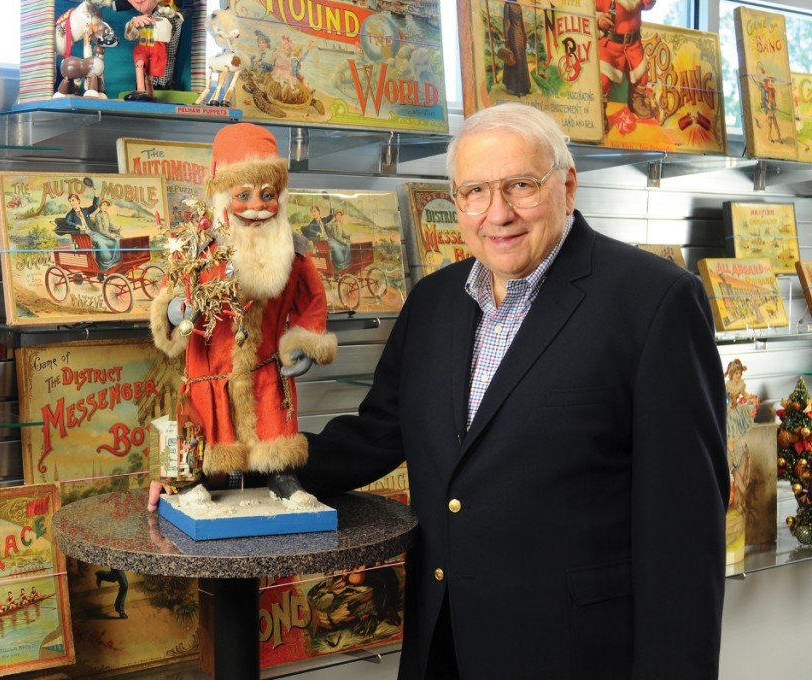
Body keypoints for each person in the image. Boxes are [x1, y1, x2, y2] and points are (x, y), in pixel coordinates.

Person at [151, 102, 728, 678]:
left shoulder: (654, 302)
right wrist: (229, 471)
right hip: (443, 645)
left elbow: (685, 530)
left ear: (567, 185)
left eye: (521, 186)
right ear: (456, 202)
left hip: (577, 652)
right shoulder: (435, 300)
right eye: (474, 191)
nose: (497, 213)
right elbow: (377, 435)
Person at [150, 122, 337, 504]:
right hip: (209, 363)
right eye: (244, 195)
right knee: (204, 422)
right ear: (223, 195)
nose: (256, 207)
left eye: (267, 195)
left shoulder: (293, 250)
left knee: (273, 420)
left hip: (267, 364)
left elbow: (311, 300)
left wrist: (305, 340)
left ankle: (281, 477)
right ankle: (189, 479)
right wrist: (172, 311)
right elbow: (171, 292)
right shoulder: (199, 246)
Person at [596, 0, 657, 133]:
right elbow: (588, 8)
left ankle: (636, 99)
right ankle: (600, 108)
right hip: (609, 44)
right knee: (602, 80)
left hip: (633, 44)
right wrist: (598, 19)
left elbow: (648, 4)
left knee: (642, 75)